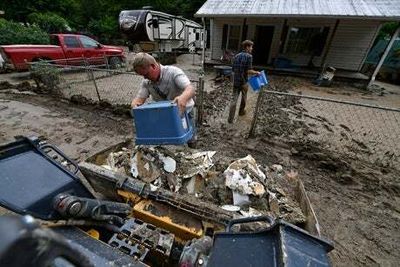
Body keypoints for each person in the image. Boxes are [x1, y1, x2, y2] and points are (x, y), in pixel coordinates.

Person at [130, 52, 197, 147]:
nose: (144, 77)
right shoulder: (146, 82)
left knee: (189, 136)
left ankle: (192, 148)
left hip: (184, 111)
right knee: (170, 138)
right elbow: (139, 99)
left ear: (153, 66)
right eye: (142, 75)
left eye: (146, 74)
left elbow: (190, 89)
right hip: (166, 114)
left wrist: (183, 98)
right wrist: (135, 104)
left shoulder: (173, 72)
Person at [228, 40, 260, 123]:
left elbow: (233, 70)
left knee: (234, 100)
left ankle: (230, 119)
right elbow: (248, 71)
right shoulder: (249, 57)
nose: (252, 49)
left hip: (236, 81)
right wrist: (257, 72)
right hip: (243, 82)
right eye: (251, 47)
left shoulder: (236, 56)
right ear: (247, 47)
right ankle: (241, 112)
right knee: (244, 98)